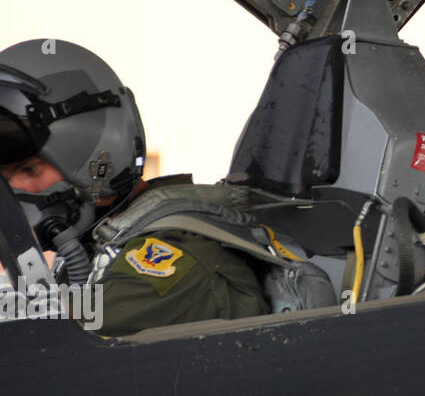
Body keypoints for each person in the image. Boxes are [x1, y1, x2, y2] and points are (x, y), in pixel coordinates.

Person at [0, 40, 273, 333]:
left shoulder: (177, 258)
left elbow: (45, 331)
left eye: (28, 170)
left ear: (94, 163)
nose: (14, 190)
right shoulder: (102, 243)